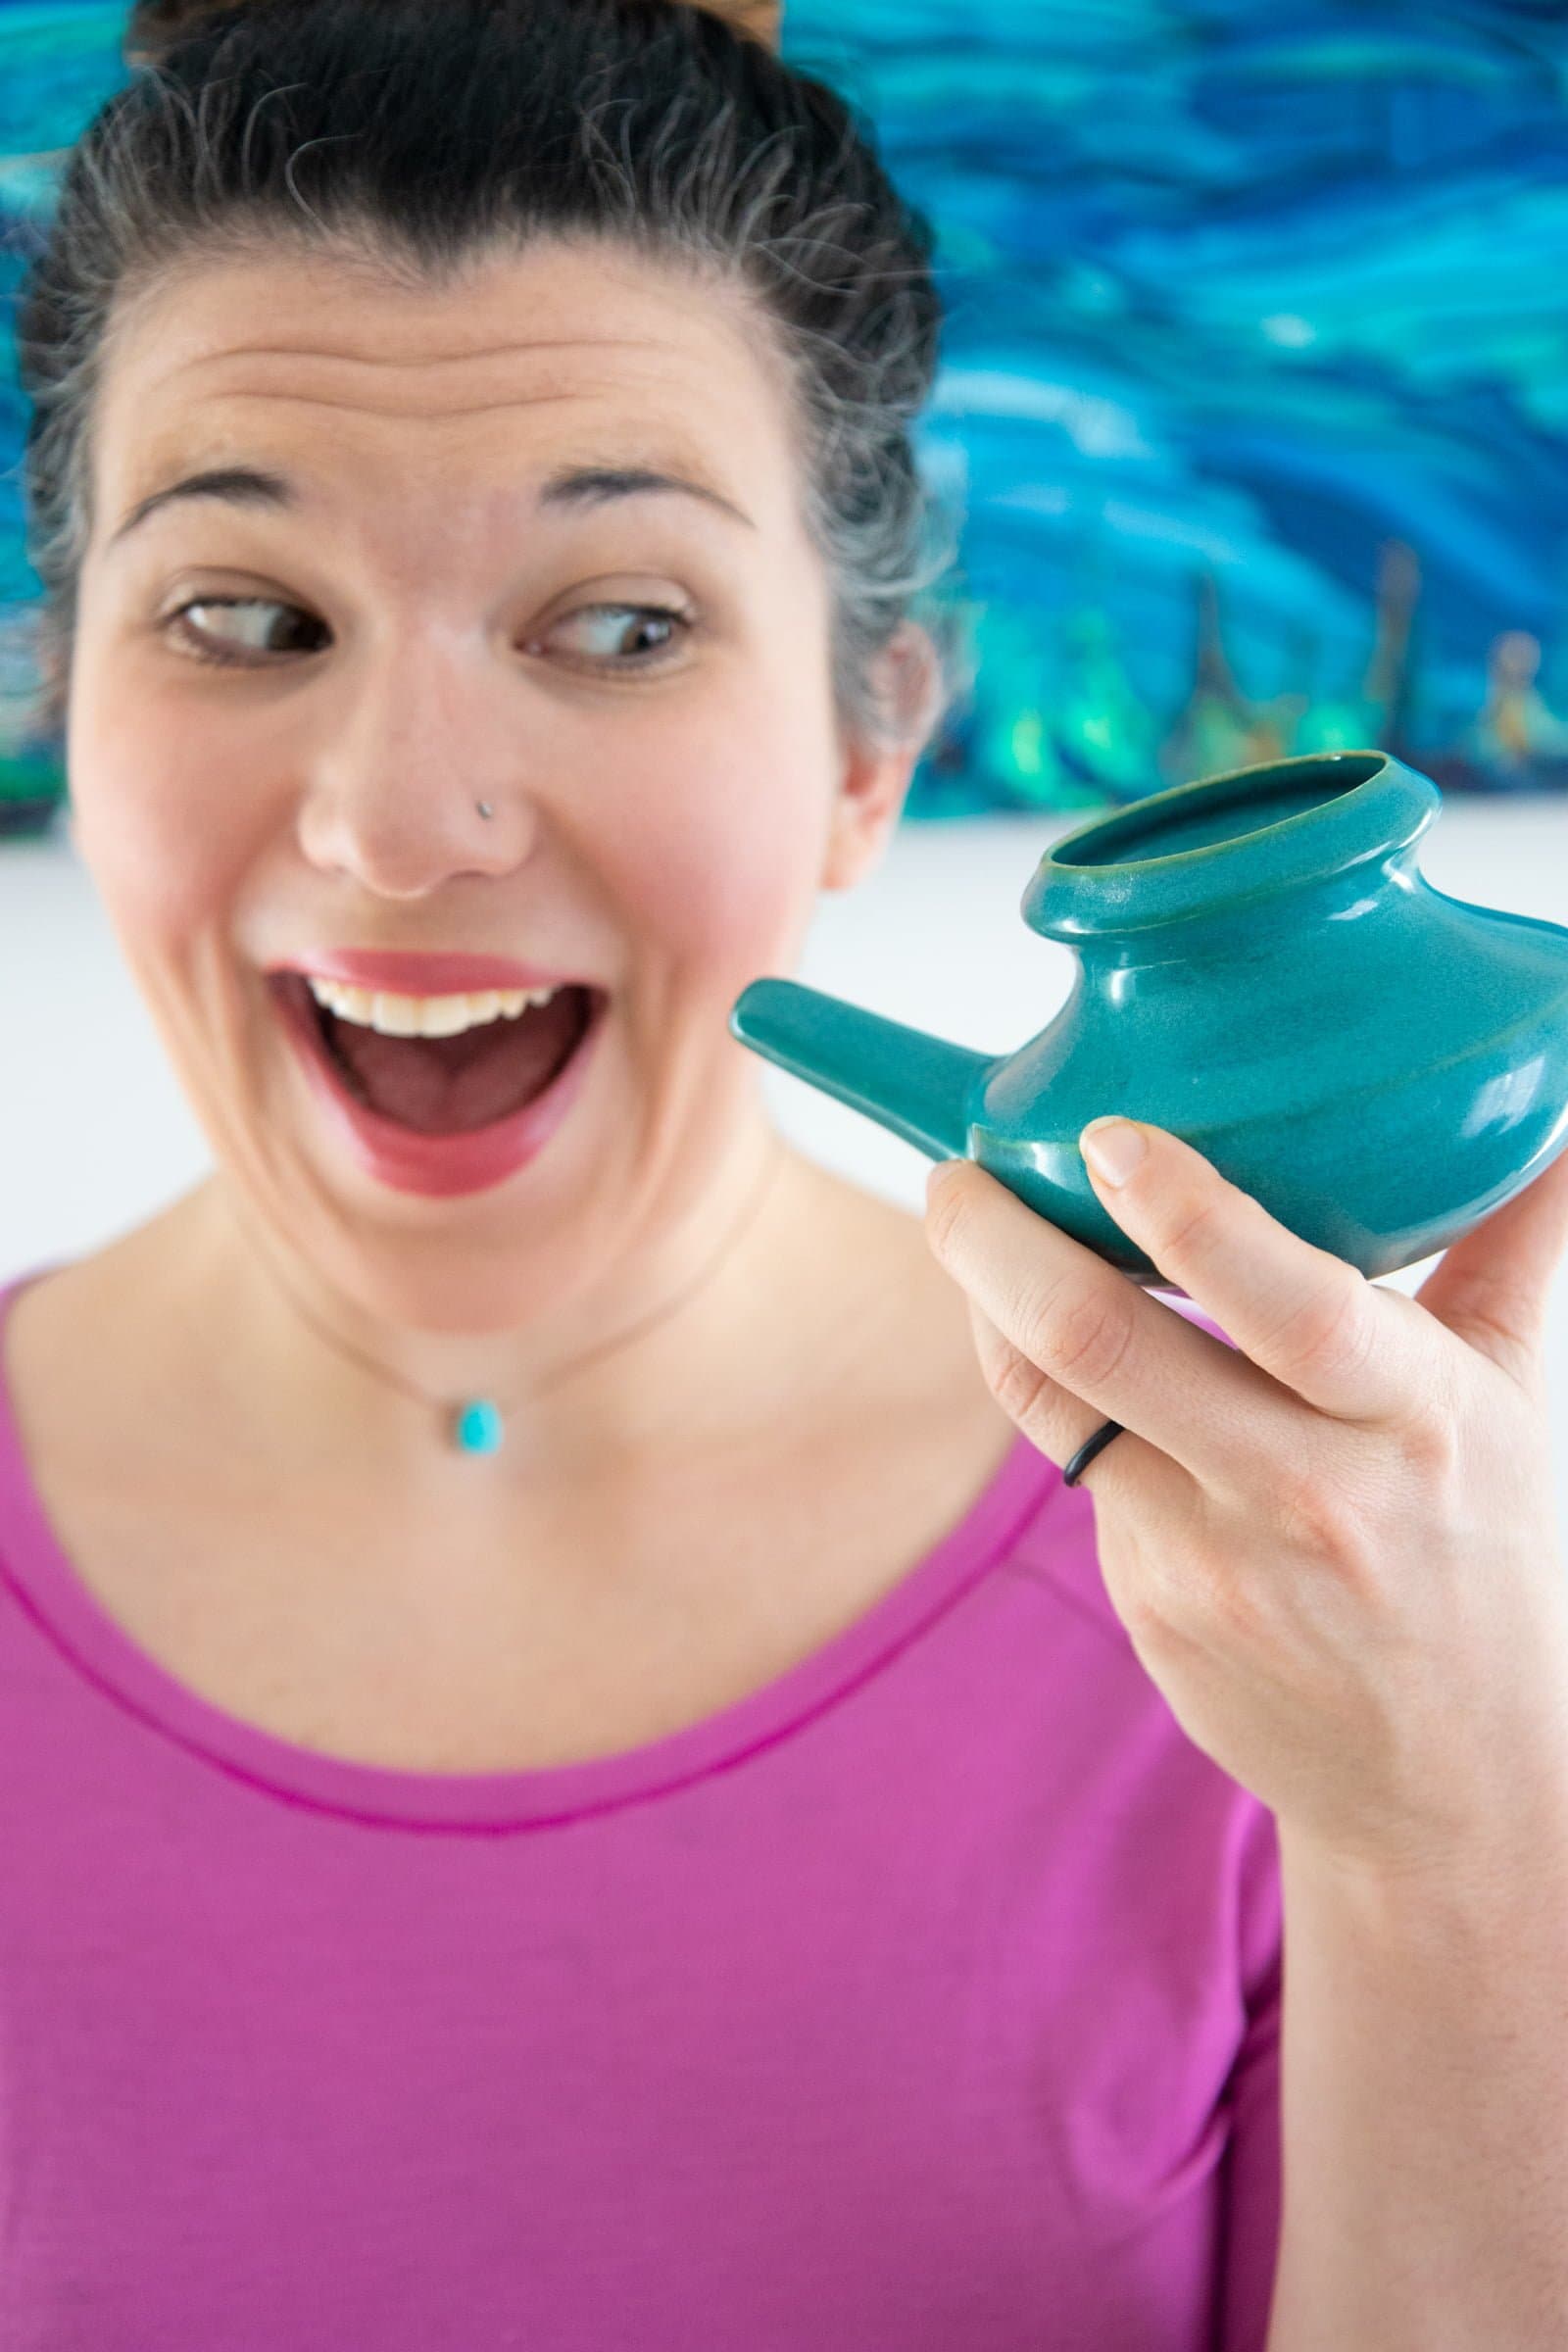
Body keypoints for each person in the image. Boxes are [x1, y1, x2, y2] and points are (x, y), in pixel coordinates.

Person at [0, 2, 1281, 2343]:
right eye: (247, 617)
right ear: (64, 689)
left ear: (866, 744)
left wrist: (1473, 1801)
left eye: (616, 624)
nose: (398, 819)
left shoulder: (1279, 1565)